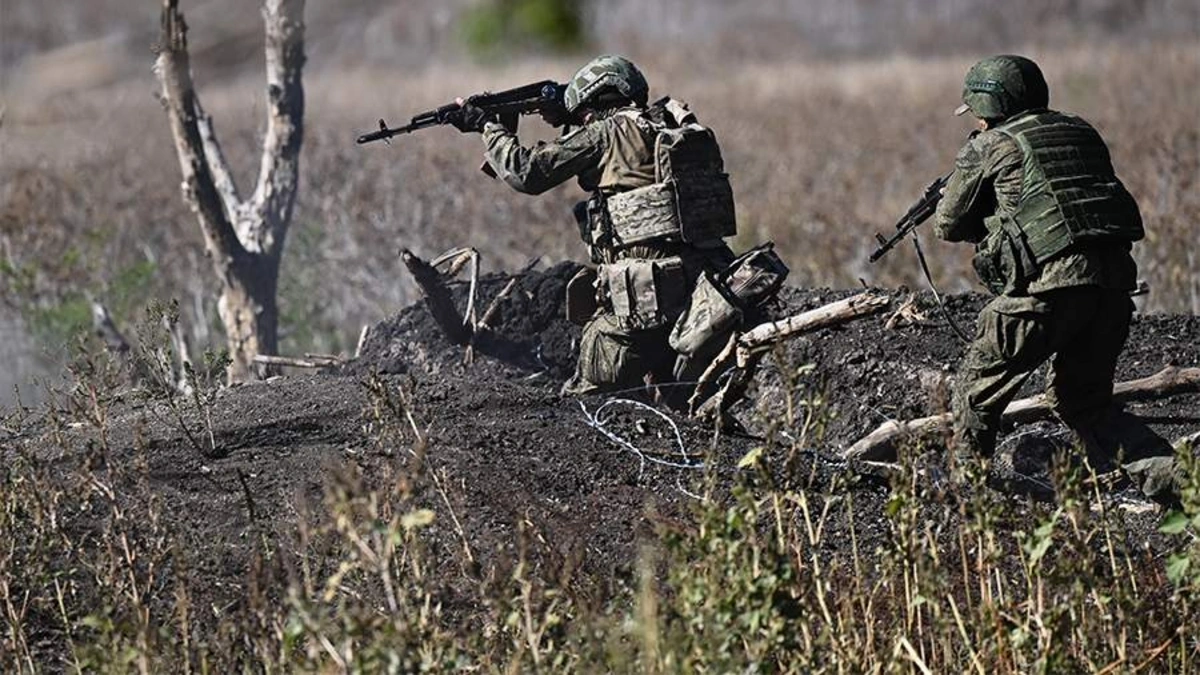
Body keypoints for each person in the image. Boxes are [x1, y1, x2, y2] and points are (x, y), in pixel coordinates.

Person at [448, 55, 745, 396]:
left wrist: (488, 126)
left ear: (597, 98)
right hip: (705, 294)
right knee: (684, 401)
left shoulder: (607, 131)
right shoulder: (676, 127)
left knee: (588, 403)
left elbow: (526, 173)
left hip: (643, 303)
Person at [933, 55, 1145, 463]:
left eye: (977, 113)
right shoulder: (1079, 131)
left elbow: (949, 225)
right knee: (1088, 409)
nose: (976, 121)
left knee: (974, 395)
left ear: (989, 108)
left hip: (1047, 290)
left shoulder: (990, 144)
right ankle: (1182, 489)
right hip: (1113, 289)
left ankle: (969, 505)